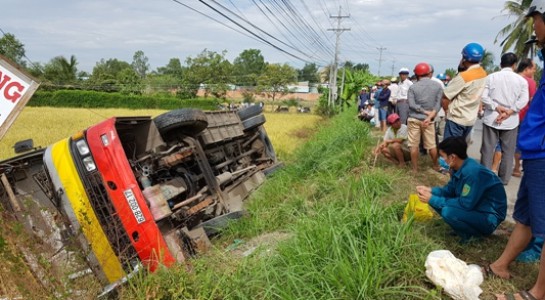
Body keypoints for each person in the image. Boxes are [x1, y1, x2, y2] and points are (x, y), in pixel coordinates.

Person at [488, 3, 545, 299]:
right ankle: (500, 264)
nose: (534, 30)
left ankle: (539, 292)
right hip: (534, 151)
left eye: (537, 23)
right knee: (525, 216)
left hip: (542, 152)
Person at [416, 136, 507, 243]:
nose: (441, 160)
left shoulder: (472, 173)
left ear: (452, 157)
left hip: (489, 217)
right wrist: (430, 190)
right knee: (434, 200)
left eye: (443, 156)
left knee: (447, 211)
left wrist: (432, 199)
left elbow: (465, 204)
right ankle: (464, 228)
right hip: (477, 207)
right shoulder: (458, 167)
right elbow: (449, 191)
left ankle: (474, 237)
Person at [480, 52, 529, 185]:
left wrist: (496, 107)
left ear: (501, 64)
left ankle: (484, 178)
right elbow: (524, 100)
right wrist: (510, 111)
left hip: (492, 117)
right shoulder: (521, 81)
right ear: (514, 65)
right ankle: (503, 179)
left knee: (487, 149)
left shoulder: (491, 77)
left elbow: (484, 96)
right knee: (508, 151)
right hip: (510, 120)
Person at [442, 43, 488, 140]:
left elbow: (445, 97)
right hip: (470, 119)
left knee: (449, 150)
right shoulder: (483, 73)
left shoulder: (464, 77)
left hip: (456, 119)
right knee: (460, 149)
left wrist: (446, 112)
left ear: (464, 57)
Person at [407, 62, 443, 172]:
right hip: (428, 121)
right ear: (429, 73)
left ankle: (415, 168)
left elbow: (411, 104)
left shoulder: (413, 87)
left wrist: (422, 111)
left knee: (413, 145)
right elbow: (439, 104)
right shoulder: (437, 86)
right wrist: (430, 114)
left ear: (417, 74)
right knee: (432, 145)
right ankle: (436, 165)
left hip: (414, 119)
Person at [513, 58, 537, 177]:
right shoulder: (530, 82)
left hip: (508, 115)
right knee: (519, 143)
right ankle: (517, 168)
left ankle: (497, 166)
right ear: (526, 69)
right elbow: (533, 100)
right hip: (523, 116)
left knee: (503, 143)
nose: (534, 71)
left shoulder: (512, 78)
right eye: (533, 69)